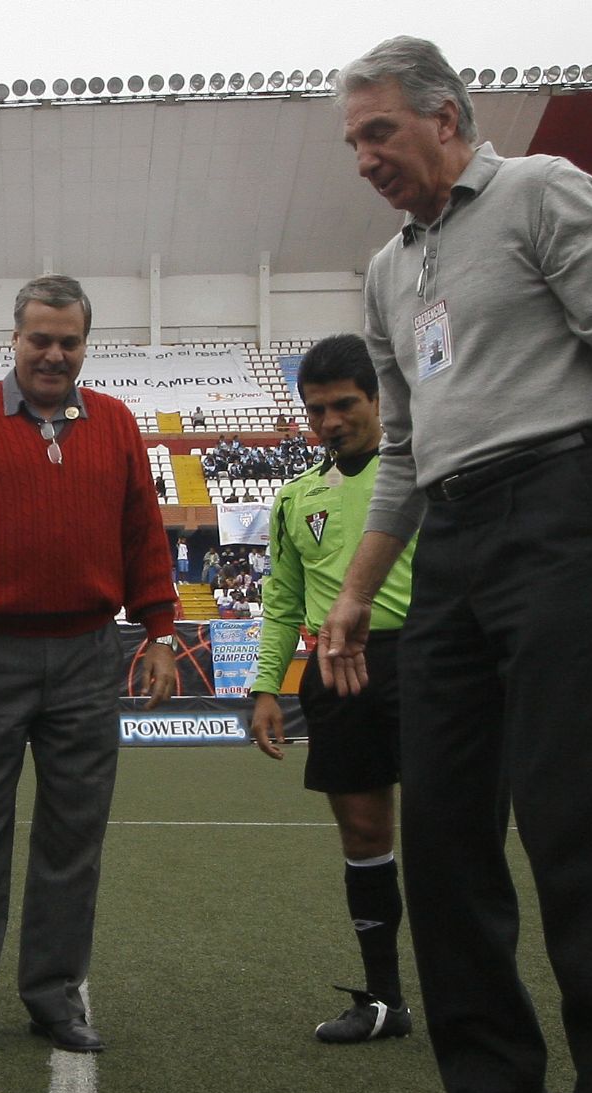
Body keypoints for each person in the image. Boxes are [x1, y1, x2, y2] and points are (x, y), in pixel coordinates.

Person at [321, 37, 592, 1093]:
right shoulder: (388, 271)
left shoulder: (543, 192)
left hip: (563, 507)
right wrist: (349, 593)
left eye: (379, 132)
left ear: (445, 116)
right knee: (441, 826)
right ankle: (498, 1085)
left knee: (572, 817)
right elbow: (399, 451)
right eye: (352, 142)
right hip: (453, 534)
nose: (365, 159)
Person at [0, 274, 176, 1060]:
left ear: (85, 345)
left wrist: (159, 630)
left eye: (69, 341)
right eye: (40, 339)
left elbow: (143, 535)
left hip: (91, 652)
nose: (54, 354)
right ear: (13, 340)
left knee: (73, 834)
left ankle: (55, 996)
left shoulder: (118, 423)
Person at [249, 333, 415, 1044]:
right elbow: (283, 598)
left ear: (379, 400)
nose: (330, 422)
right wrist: (265, 688)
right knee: (365, 832)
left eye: (344, 405)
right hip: (334, 672)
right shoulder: (296, 497)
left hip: (425, 661)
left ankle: (471, 993)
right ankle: (385, 998)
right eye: (316, 411)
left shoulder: (423, 475)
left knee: (446, 836)